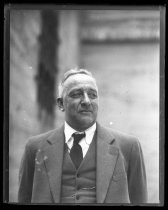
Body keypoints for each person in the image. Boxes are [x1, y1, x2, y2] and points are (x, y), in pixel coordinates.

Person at [18, 68, 148, 204]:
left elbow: (140, 201)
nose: (87, 101)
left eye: (93, 95)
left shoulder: (129, 146)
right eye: (76, 94)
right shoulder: (35, 147)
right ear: (61, 104)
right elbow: (24, 199)